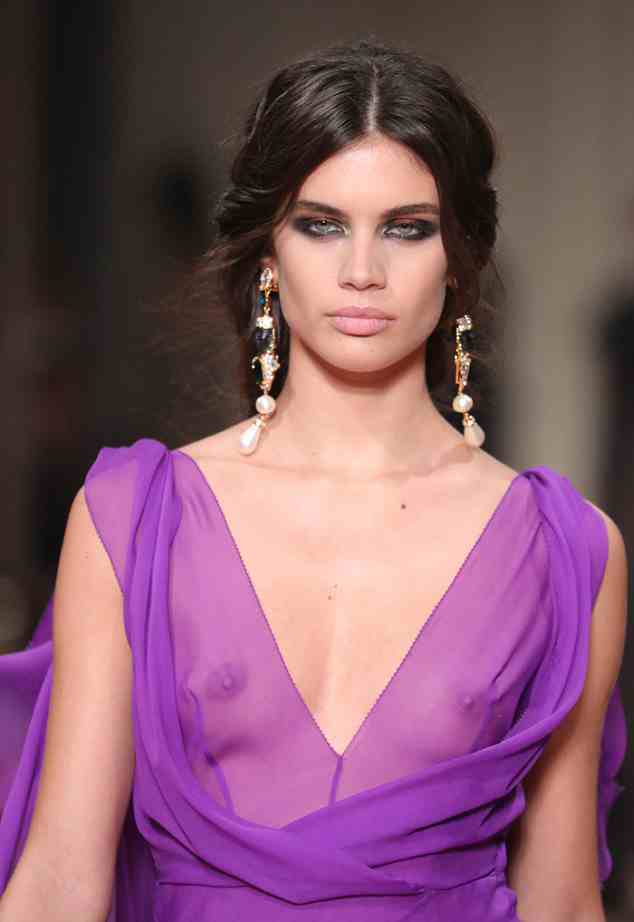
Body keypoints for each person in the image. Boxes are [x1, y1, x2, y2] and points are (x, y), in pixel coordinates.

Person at [0, 37, 628, 922]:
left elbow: (560, 899)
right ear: (269, 252)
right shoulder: (136, 519)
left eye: (407, 228)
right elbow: (62, 879)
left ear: (458, 258)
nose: (361, 271)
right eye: (321, 225)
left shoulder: (566, 550)